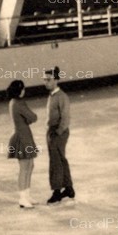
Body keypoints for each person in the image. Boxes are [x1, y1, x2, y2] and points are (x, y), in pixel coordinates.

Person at [42, 67, 75, 205]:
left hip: (58, 132)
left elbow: (65, 118)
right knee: (60, 160)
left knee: (55, 162)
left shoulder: (61, 96)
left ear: (56, 80)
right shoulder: (52, 95)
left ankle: (57, 192)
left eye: (49, 80)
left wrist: (58, 132)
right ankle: (69, 188)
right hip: (53, 131)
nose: (46, 82)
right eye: (44, 80)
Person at [5, 79, 38, 209]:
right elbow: (33, 117)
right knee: (24, 167)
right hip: (22, 137)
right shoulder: (17, 103)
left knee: (30, 165)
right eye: (23, 88)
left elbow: (29, 118)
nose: (24, 91)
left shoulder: (15, 102)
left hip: (25, 136)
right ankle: (22, 198)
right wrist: (28, 118)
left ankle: (27, 195)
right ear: (19, 91)